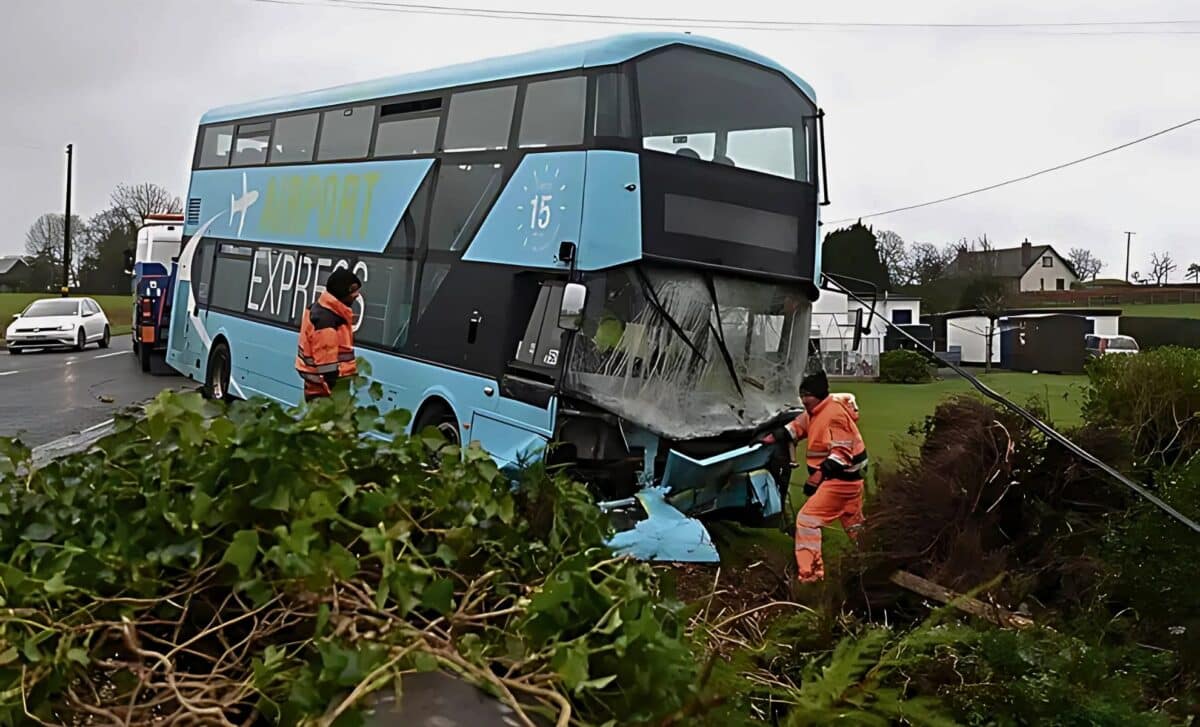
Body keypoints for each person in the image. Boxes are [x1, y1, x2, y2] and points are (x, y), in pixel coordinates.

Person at [757, 371, 868, 583]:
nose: (802, 400)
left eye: (806, 395)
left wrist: (816, 478)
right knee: (856, 528)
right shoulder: (817, 411)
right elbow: (798, 426)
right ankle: (873, 559)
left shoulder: (834, 415)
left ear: (817, 395)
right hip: (850, 483)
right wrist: (775, 436)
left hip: (840, 482)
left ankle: (811, 576)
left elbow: (841, 454)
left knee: (807, 521)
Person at [295, 268, 361, 401]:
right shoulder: (326, 322)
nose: (357, 295)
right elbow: (327, 368)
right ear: (342, 292)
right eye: (353, 290)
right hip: (324, 393)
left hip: (319, 388)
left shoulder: (326, 312)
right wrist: (338, 398)